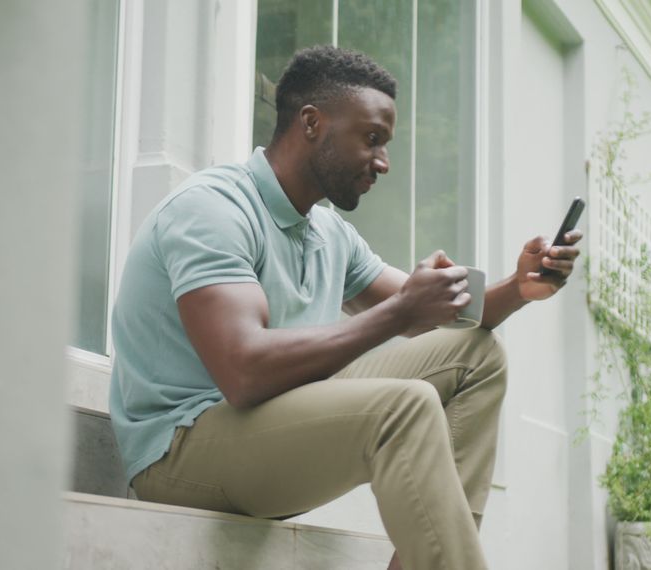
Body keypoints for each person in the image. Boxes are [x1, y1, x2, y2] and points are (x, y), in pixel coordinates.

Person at [109, 45, 582, 570]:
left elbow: (439, 312)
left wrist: (518, 286)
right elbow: (242, 371)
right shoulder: (214, 209)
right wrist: (400, 313)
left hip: (267, 426)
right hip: (180, 451)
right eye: (372, 139)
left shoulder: (327, 231)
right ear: (312, 123)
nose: (383, 161)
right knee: (406, 406)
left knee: (477, 353)